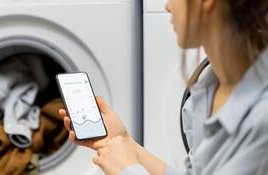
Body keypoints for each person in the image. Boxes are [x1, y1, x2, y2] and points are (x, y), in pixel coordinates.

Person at [58, 0, 268, 174]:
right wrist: (124, 144)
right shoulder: (210, 89)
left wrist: (128, 170)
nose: (167, 6)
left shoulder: (261, 119)